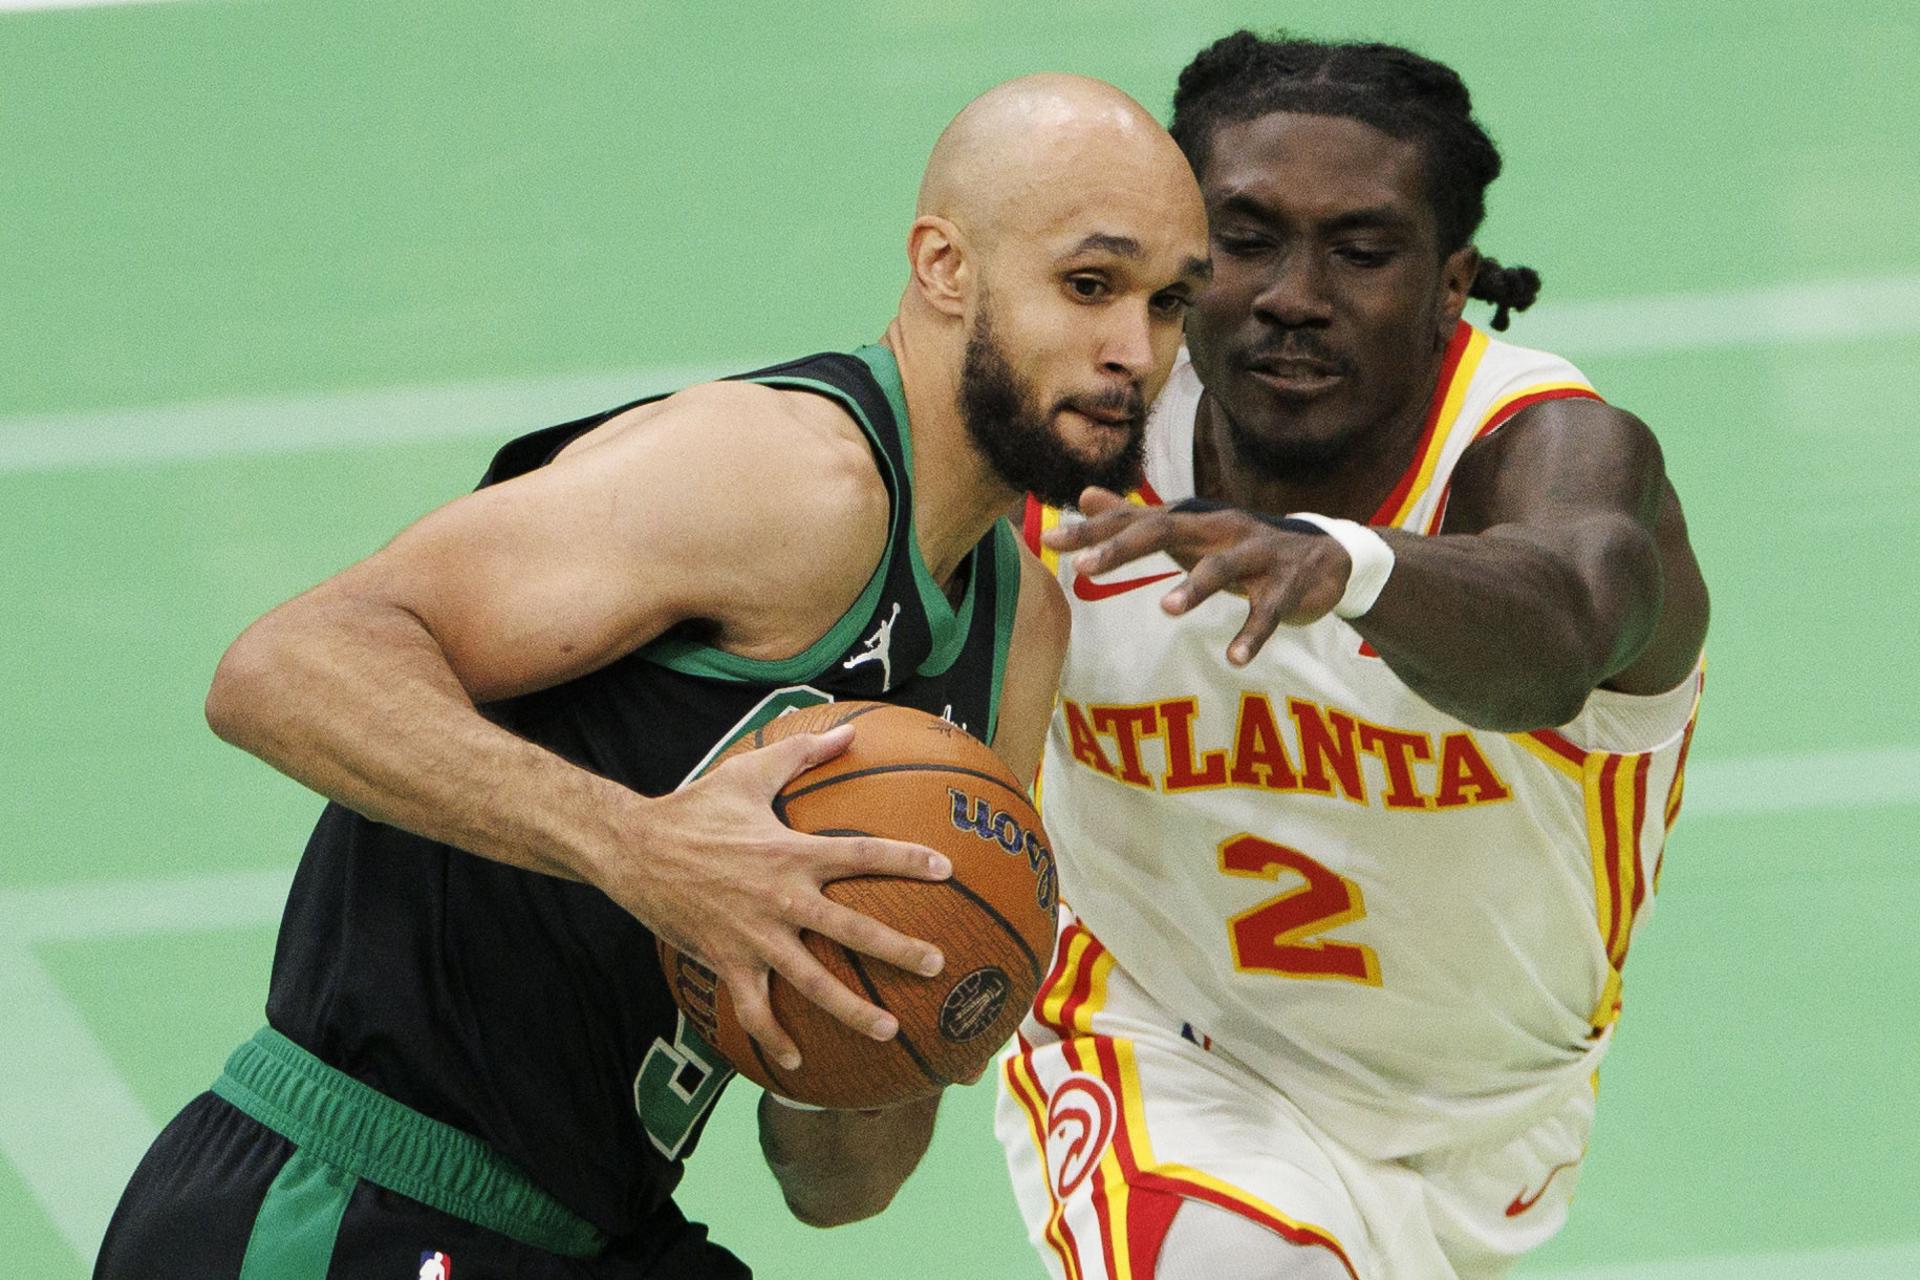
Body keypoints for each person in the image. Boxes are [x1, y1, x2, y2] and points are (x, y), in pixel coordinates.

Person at [94, 74, 1210, 1279]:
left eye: (1169, 304)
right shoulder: (785, 477)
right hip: (358, 1194)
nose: (1132, 351)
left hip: (596, 1228)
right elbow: (280, 665)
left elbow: (836, 1185)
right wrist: (644, 846)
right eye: (1089, 287)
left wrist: (915, 1014)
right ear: (943, 266)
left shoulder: (1020, 624)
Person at [996, 32, 1709, 1280]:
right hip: (1154, 1044)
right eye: (1248, 239)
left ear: (1450, 282)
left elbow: (1563, 622)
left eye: (1363, 251)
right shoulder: (1067, 452)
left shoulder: (1552, 451)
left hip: (1492, 1125)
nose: (1294, 295)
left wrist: (1355, 567)